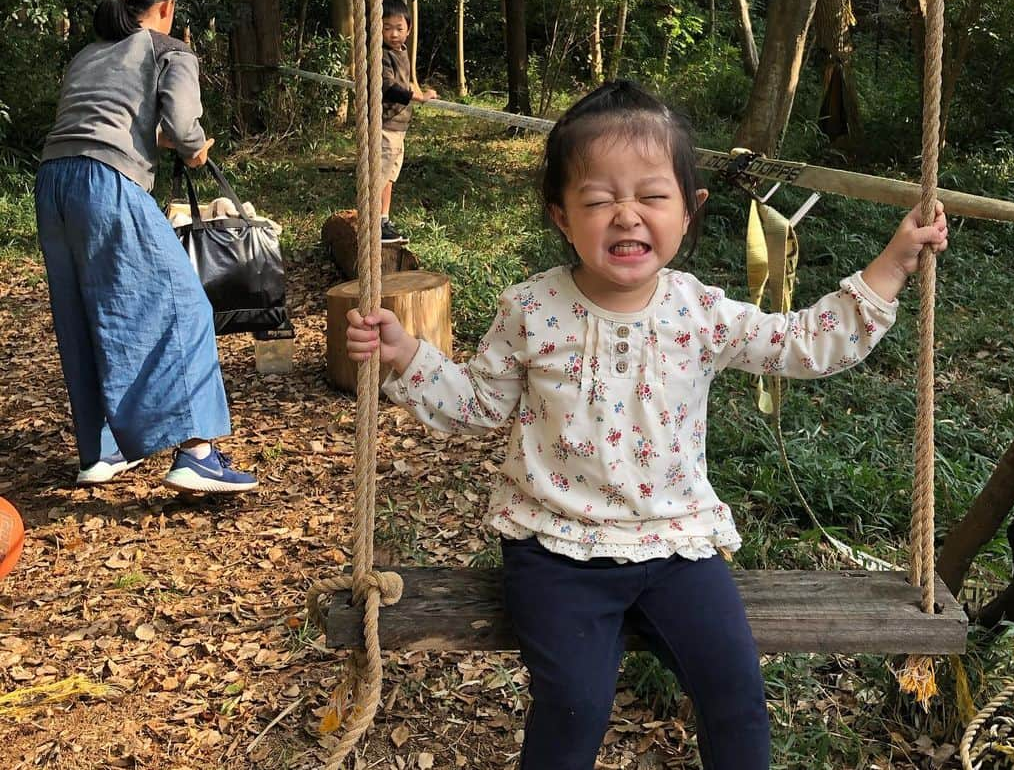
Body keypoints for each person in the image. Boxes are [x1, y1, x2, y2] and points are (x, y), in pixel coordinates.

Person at [345, 80, 948, 770]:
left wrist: (894, 263)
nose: (626, 215)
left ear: (689, 212)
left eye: (651, 197)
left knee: (737, 695)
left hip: (675, 543)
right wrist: (407, 356)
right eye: (599, 199)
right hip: (554, 546)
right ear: (561, 215)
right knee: (573, 703)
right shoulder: (532, 310)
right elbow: (478, 403)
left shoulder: (699, 312)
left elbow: (804, 341)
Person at [35, 0, 258, 494]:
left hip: (53, 182)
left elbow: (108, 121)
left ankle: (101, 451)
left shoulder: (87, 55)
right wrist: (194, 146)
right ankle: (197, 452)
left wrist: (169, 143)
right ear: (166, 8)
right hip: (107, 185)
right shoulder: (171, 50)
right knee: (185, 306)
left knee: (84, 312)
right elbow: (182, 126)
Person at [380, 0, 437, 243]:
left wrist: (419, 91)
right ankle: (374, 223)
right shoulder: (380, 55)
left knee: (389, 176)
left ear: (409, 30)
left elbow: (405, 82)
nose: (393, 34)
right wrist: (418, 96)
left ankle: (383, 219)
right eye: (387, 27)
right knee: (379, 176)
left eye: (399, 28)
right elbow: (388, 87)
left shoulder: (401, 52)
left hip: (399, 127)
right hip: (383, 125)